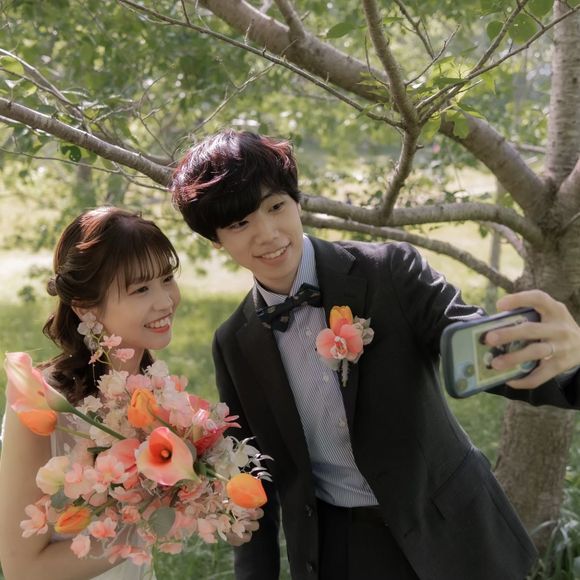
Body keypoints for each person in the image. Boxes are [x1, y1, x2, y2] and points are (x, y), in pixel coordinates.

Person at [170, 129, 580, 580]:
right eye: (240, 224)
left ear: (296, 201)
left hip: (451, 533)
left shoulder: (389, 272)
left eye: (276, 207)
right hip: (342, 550)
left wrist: (564, 362)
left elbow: (477, 345)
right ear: (216, 240)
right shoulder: (234, 342)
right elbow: (251, 474)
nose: (268, 234)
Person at [0, 207, 182, 580]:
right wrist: (150, 526)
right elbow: (22, 567)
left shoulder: (158, 391)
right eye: (141, 288)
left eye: (167, 278)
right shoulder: (41, 402)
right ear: (85, 307)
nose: (165, 301)